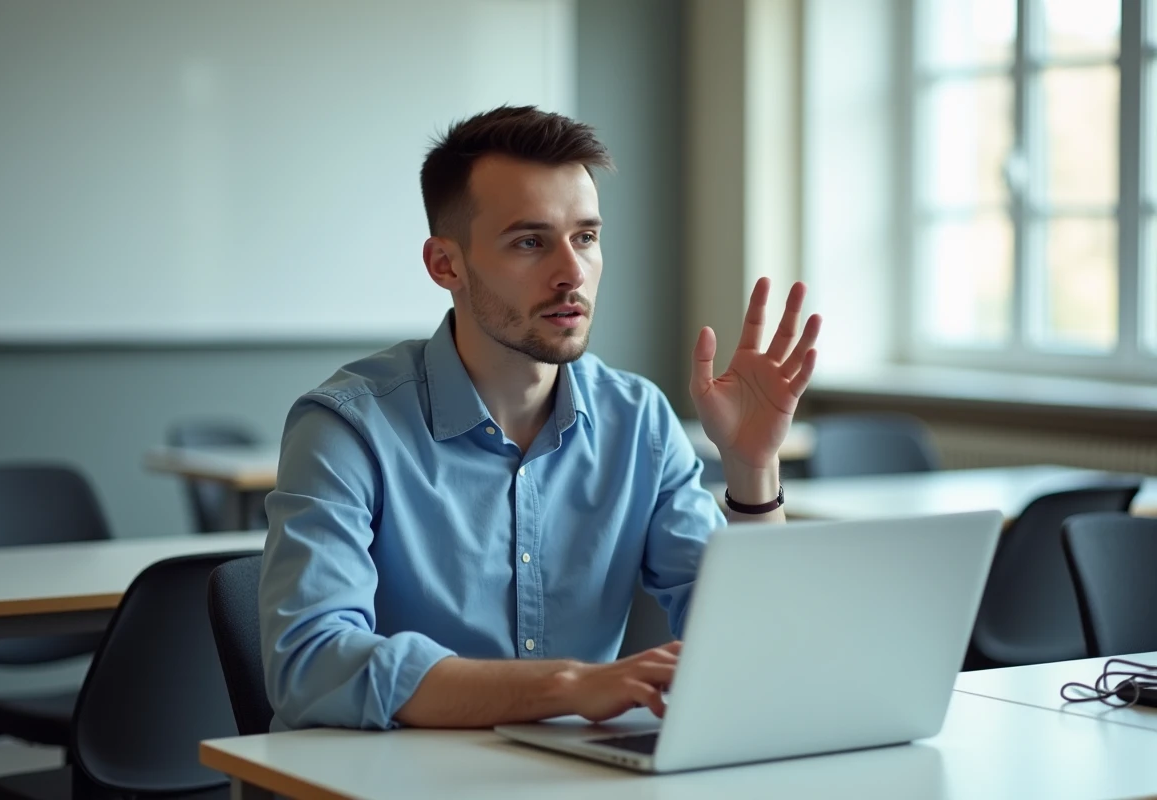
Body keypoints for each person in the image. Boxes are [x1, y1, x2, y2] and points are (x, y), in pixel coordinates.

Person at [258, 105, 821, 732]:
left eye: (585, 237)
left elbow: (752, 648)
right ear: (446, 265)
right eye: (530, 242)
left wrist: (752, 469)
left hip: (572, 776)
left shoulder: (638, 420)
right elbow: (309, 667)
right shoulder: (346, 427)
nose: (572, 273)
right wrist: (569, 686)